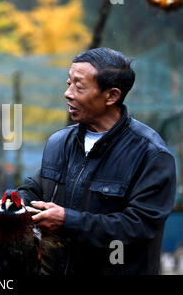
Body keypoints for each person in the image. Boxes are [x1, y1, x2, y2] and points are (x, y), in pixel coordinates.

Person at [16, 47, 176, 275]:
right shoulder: (59, 142)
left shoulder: (151, 155)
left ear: (112, 95)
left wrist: (67, 221)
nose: (68, 93)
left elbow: (137, 227)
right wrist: (16, 205)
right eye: (68, 83)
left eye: (78, 87)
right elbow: (36, 188)